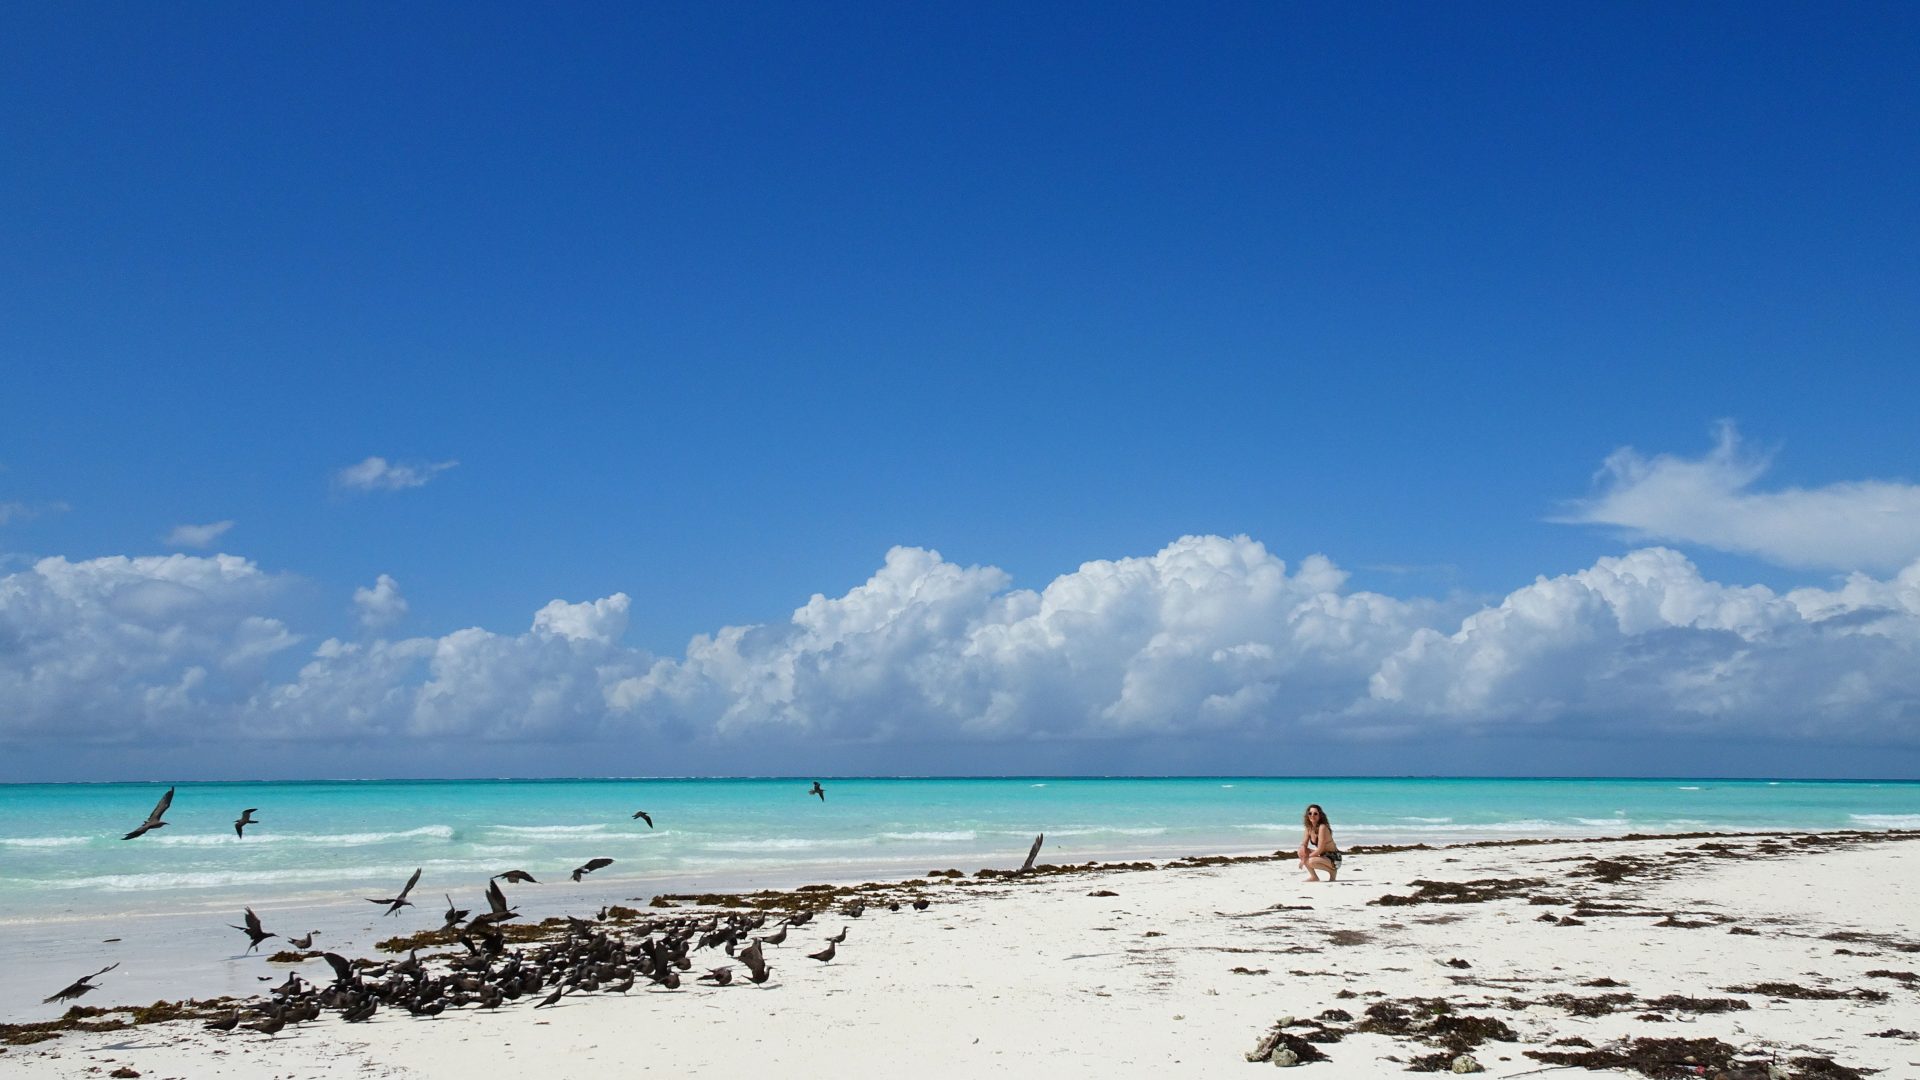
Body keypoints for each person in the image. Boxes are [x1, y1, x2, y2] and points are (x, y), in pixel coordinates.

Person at [1296, 803, 1341, 882]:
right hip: (1323, 856)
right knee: (1301, 851)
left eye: (1315, 813)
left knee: (1310, 861)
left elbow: (1320, 849)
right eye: (1310, 813)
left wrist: (1304, 859)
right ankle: (1314, 877)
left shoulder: (1322, 827)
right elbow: (1304, 843)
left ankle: (1332, 871)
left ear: (1320, 815)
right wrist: (1303, 849)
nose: (1312, 815)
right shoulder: (1309, 827)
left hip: (1334, 858)